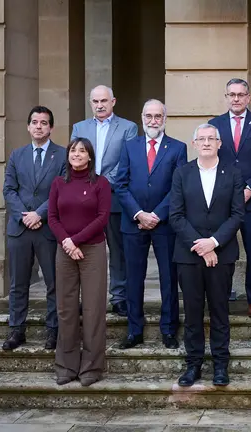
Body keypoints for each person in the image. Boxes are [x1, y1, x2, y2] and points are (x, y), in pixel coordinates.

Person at [170, 124, 245, 387]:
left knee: (220, 311)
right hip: (188, 256)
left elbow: (237, 214)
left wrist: (213, 243)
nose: (206, 142)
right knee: (192, 313)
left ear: (219, 143)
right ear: (193, 144)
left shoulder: (234, 174)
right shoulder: (182, 173)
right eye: (201, 139)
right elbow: (175, 215)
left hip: (222, 255)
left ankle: (221, 366)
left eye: (211, 139)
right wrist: (201, 246)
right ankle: (193, 365)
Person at [114, 99, 188, 350]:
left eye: (158, 116)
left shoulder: (178, 148)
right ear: (141, 117)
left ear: (165, 118)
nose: (153, 120)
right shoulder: (128, 147)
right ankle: (134, 330)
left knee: (169, 277)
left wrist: (156, 214)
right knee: (134, 278)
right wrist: (138, 214)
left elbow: (178, 188)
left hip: (164, 224)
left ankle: (169, 329)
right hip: (133, 223)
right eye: (149, 116)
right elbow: (120, 184)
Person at [48, 137, 112, 387]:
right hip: (65, 251)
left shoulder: (100, 183)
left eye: (82, 151)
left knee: (94, 309)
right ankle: (66, 366)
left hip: (93, 250)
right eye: (73, 151)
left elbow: (102, 217)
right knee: (65, 308)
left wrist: (75, 241)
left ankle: (92, 367)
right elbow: (52, 217)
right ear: (68, 156)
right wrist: (67, 242)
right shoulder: (57, 183)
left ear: (90, 156)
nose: (76, 154)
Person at [2, 106, 66, 350]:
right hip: (19, 229)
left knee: (53, 282)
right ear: (28, 126)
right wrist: (24, 216)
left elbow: (61, 190)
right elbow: (9, 190)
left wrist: (39, 214)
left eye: (44, 122)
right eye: (35, 122)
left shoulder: (62, 155)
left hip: (48, 229)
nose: (39, 126)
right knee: (18, 283)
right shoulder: (17, 155)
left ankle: (53, 331)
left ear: (51, 128)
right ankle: (17, 330)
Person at [71, 85, 138, 316]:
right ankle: (86, 298)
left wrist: (99, 183)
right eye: (95, 101)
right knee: (85, 249)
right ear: (90, 103)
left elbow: (126, 162)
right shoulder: (80, 127)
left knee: (117, 250)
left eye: (104, 101)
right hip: (83, 200)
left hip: (114, 198)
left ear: (113, 101)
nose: (99, 105)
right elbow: (74, 159)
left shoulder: (128, 127)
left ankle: (118, 297)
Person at [209, 78, 251, 317]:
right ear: (226, 97)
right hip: (222, 201)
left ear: (248, 97)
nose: (236, 98)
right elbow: (209, 160)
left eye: (240, 94)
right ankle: (221, 297)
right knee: (221, 248)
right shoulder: (213, 126)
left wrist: (249, 188)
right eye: (232, 94)